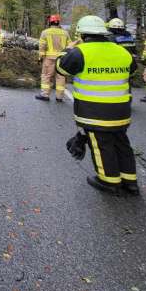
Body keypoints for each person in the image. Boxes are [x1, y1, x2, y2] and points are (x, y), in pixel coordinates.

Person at [56, 15, 138, 195]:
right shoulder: (121, 51)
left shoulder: (80, 52)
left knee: (101, 145)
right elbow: (133, 70)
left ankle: (109, 181)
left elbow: (61, 68)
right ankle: (130, 181)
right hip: (121, 109)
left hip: (94, 110)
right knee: (122, 142)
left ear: (82, 34)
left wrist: (67, 49)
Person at [35, 14, 70, 102]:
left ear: (50, 22)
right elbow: (70, 46)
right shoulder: (65, 33)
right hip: (62, 59)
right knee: (61, 77)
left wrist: (40, 57)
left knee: (46, 76)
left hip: (49, 59)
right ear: (58, 22)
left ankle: (45, 95)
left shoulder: (45, 32)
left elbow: (42, 46)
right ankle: (59, 97)